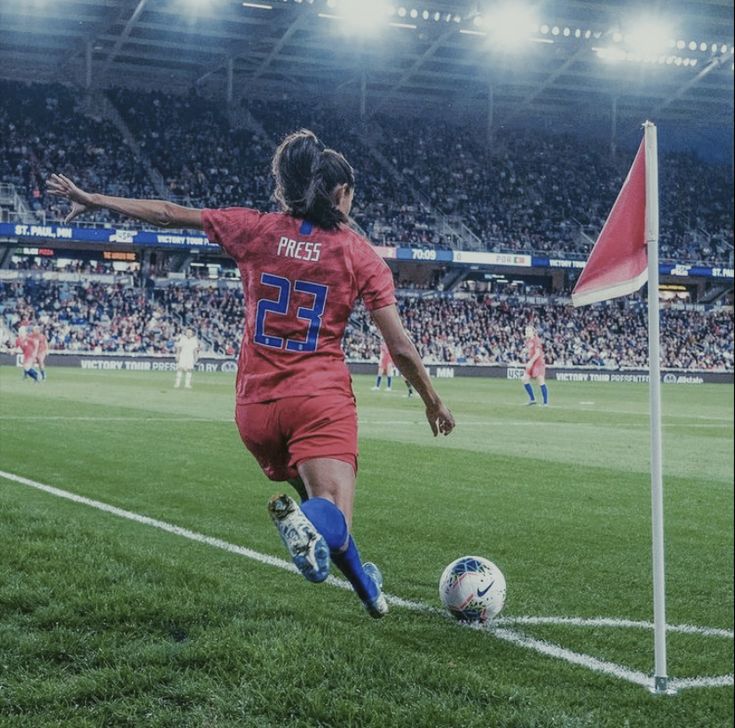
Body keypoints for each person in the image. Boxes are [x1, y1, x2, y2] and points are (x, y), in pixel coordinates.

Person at [47, 129, 455, 618]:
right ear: (340, 193)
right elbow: (400, 347)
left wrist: (95, 199)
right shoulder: (357, 253)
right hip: (317, 399)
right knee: (330, 511)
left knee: (322, 516)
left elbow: (168, 213)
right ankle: (306, 525)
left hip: (255, 408)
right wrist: (432, 399)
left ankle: (370, 592)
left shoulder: (256, 229)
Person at [522, 325, 549, 406]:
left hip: (538, 363)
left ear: (533, 332)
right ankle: (532, 399)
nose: (527, 332)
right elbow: (531, 350)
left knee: (540, 381)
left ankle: (545, 403)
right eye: (526, 331)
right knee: (524, 379)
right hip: (532, 363)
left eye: (529, 331)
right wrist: (526, 351)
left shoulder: (536, 340)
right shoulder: (528, 341)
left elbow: (537, 353)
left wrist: (530, 362)